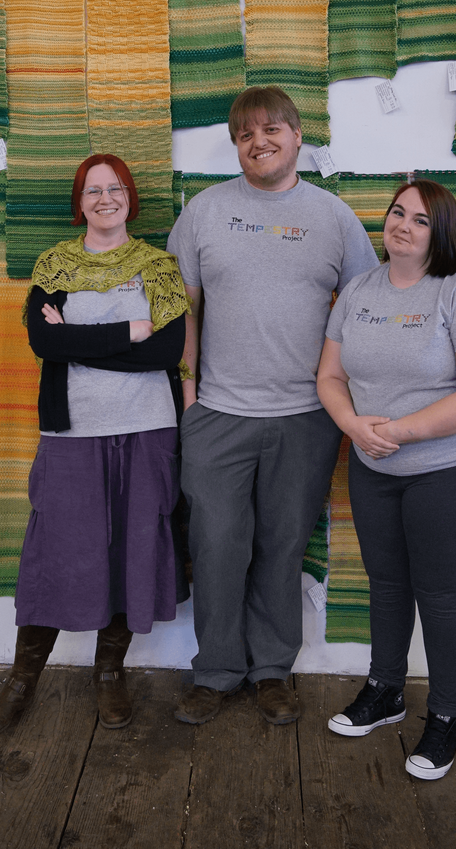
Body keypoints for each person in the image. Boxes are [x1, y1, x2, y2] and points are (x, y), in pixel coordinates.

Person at [167, 86, 378, 726]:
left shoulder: (335, 218)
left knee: (284, 544)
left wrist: (342, 395)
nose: (259, 142)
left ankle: (271, 670)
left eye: (271, 129)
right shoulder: (202, 213)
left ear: (296, 135)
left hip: (306, 419)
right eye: (245, 134)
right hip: (218, 415)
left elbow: (362, 311)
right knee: (217, 543)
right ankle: (217, 671)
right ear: (237, 146)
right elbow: (184, 310)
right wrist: (190, 397)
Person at [0, 153, 191, 738]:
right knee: (56, 550)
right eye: (93, 191)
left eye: (115, 188)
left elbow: (166, 354)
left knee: (128, 546)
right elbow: (45, 342)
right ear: (80, 202)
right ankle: (20, 682)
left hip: (146, 428)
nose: (105, 199)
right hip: (70, 432)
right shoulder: (55, 264)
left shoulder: (158, 267)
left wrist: (78, 339)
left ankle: (109, 674)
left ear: (130, 198)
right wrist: (125, 332)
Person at [317, 179, 456, 779]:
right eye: (398, 212)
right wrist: (351, 424)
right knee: (387, 583)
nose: (403, 224)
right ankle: (386, 690)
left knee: (438, 591)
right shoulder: (357, 291)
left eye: (420, 220)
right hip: (373, 463)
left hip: (451, 468)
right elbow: (330, 377)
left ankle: (446, 716)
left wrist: (400, 431)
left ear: (440, 232)